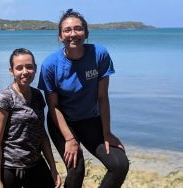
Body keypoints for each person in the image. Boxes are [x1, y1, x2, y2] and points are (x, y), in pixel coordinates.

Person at [38, 9, 129, 188]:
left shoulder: (99, 55)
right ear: (60, 36)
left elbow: (102, 97)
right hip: (62, 121)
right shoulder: (50, 65)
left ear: (86, 33)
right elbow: (53, 106)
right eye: (67, 30)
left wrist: (107, 132)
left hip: (90, 119)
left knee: (119, 165)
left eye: (78, 29)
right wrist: (70, 140)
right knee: (76, 168)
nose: (73, 34)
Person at [0, 48, 61, 188]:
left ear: (35, 68)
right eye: (19, 68)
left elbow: (42, 134)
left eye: (29, 67)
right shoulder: (5, 98)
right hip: (9, 167)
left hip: (35, 164)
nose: (24, 72)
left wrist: (53, 168)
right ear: (11, 71)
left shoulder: (38, 96)